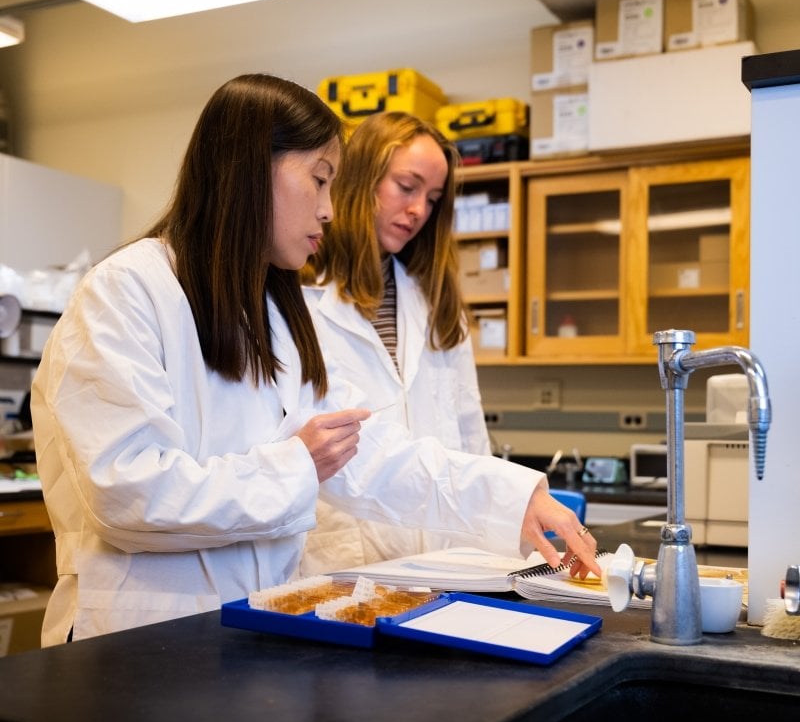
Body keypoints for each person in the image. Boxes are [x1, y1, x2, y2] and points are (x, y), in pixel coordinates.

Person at [31, 74, 600, 646]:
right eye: (321, 179)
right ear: (253, 169)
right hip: (138, 639)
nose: (330, 209)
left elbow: (364, 453)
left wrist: (511, 497)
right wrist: (296, 465)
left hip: (252, 628)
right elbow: (125, 493)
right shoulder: (127, 291)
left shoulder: (270, 315)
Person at [299, 111, 502, 575]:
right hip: (340, 551)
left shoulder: (433, 298)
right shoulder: (301, 295)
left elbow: (470, 434)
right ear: (360, 177)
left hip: (440, 552)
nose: (418, 211)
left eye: (432, 199)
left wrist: (496, 546)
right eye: (406, 187)